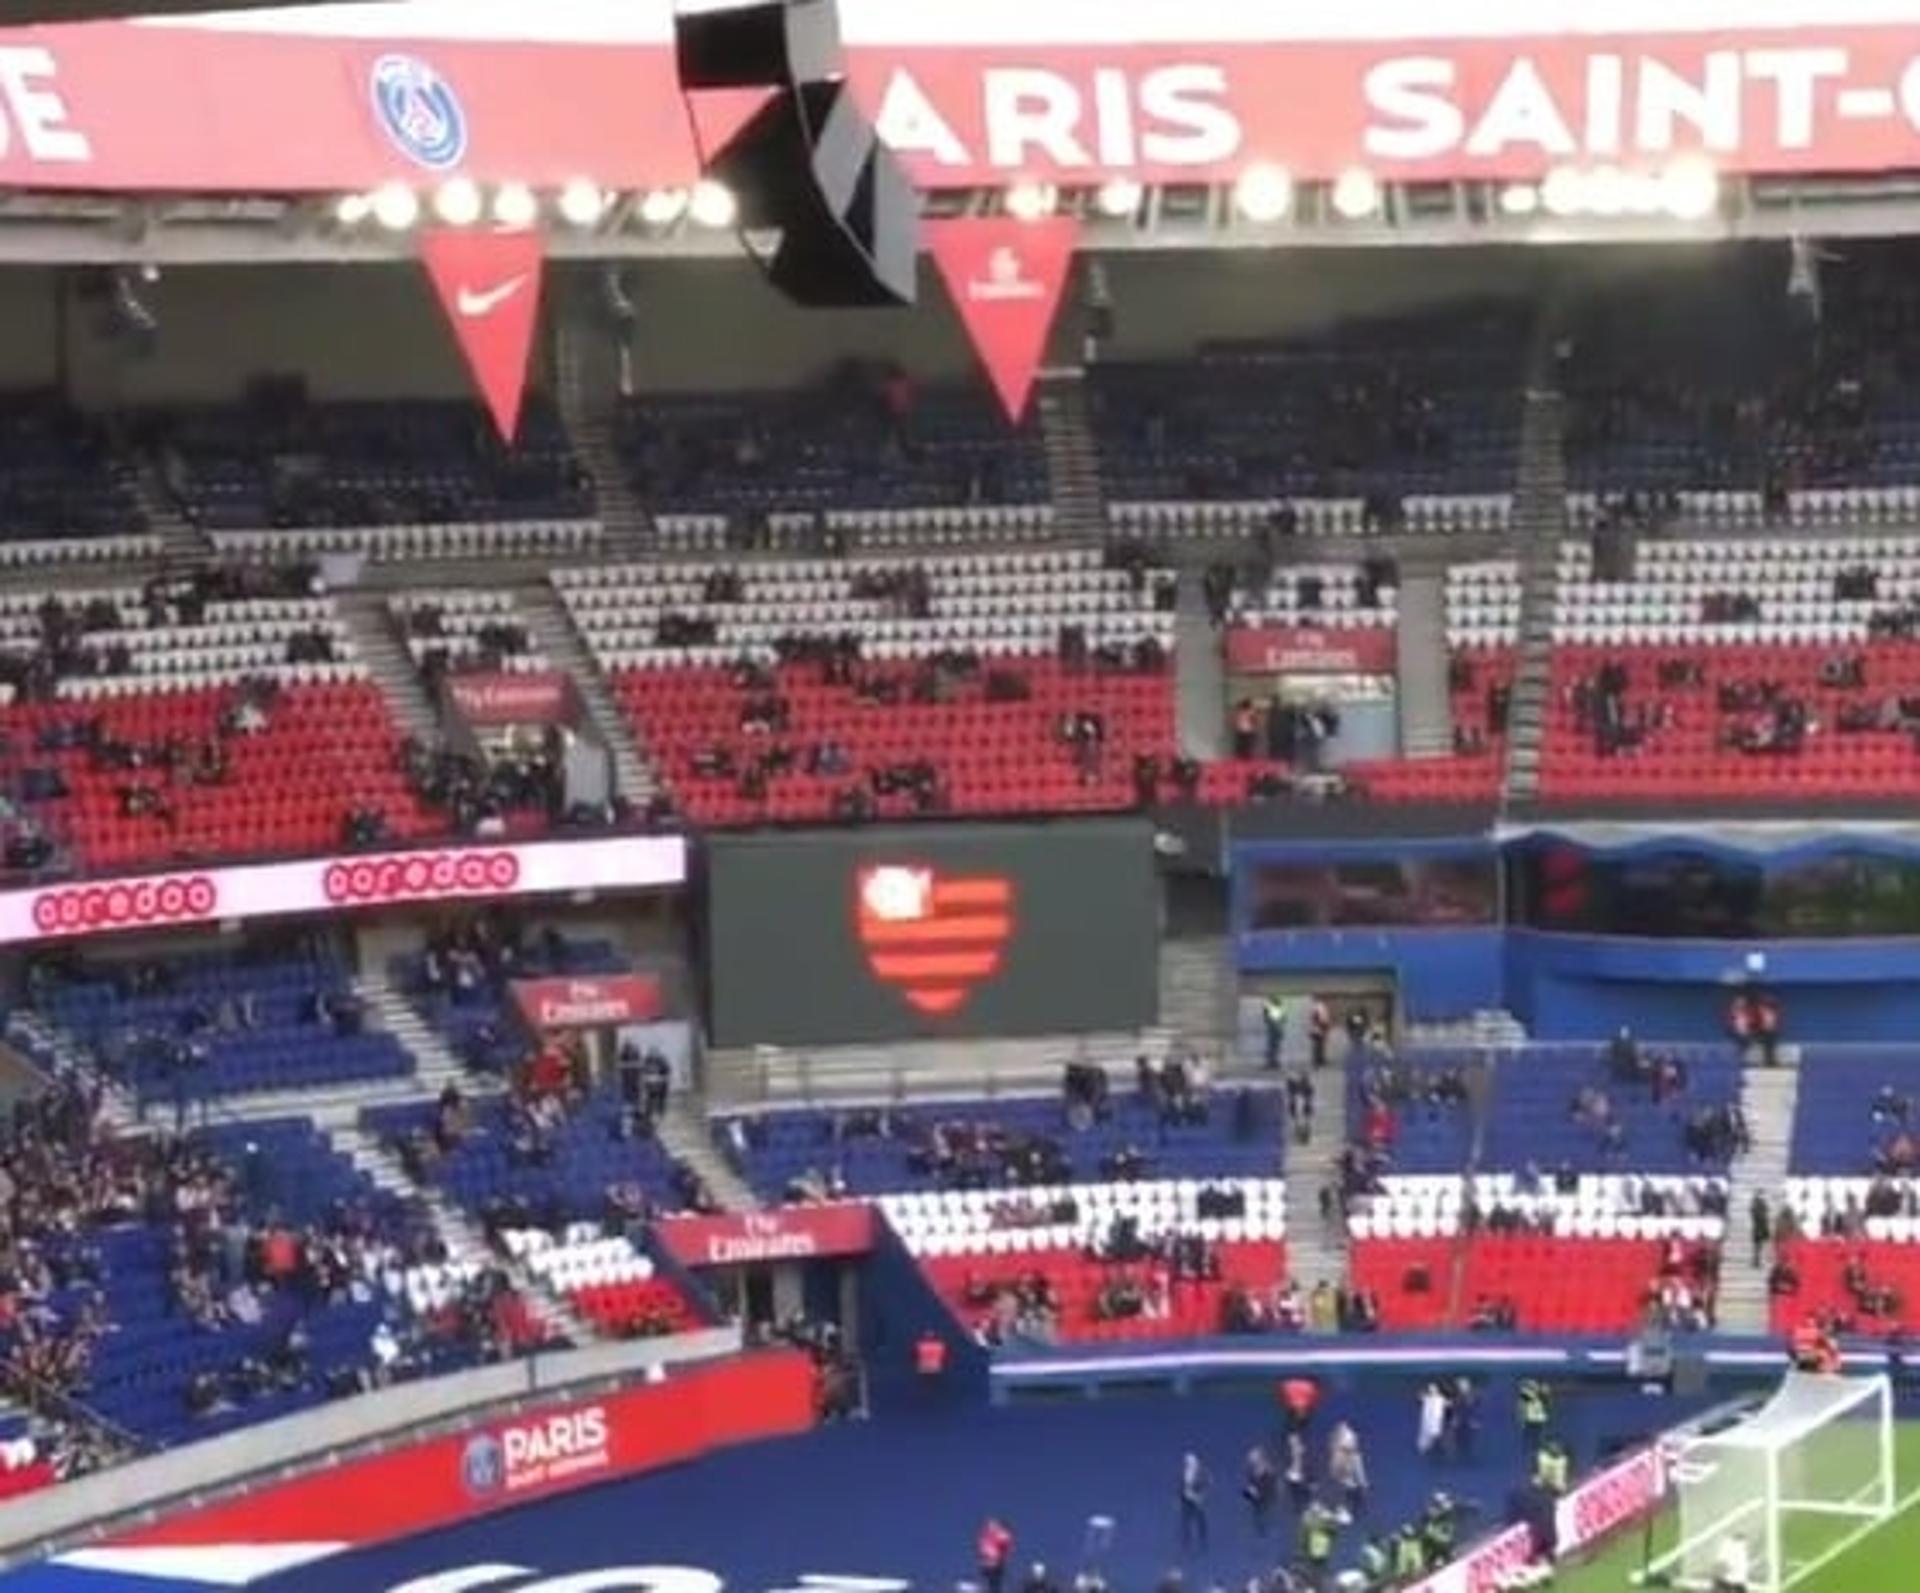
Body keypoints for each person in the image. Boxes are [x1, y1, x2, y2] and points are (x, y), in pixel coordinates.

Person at [1328, 1421, 1368, 1522]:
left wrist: (1362, 1481)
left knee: (1352, 1491)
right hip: (1344, 1477)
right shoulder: (1343, 1453)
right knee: (1349, 1490)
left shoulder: (1352, 1455)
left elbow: (1358, 1467)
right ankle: (1343, 1510)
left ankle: (1345, 1511)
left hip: (1347, 1478)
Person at [1242, 1444, 1278, 1537]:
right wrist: (1250, 1490)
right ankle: (1261, 1528)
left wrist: (1259, 1491)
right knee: (1258, 1512)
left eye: (1254, 1459)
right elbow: (1251, 1481)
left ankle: (1267, 1527)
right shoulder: (1251, 1470)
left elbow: (1270, 1484)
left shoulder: (1268, 1469)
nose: (1252, 1462)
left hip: (1267, 1496)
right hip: (1258, 1498)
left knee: (1265, 1511)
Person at [1178, 1451, 1209, 1551]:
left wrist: (1200, 1494)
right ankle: (1189, 1542)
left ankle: (1199, 1541)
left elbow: (1203, 1482)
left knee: (1198, 1519)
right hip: (1188, 1497)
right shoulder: (1186, 1472)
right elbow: (1183, 1486)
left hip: (1195, 1497)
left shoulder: (1198, 1471)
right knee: (1189, 1520)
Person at [978, 1518, 1014, 1593]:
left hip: (997, 1561)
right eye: (990, 1526)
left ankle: (994, 1589)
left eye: (993, 1526)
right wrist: (984, 1559)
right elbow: (983, 1548)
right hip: (990, 1562)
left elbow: (1006, 1543)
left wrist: (1001, 1557)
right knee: (990, 1579)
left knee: (996, 1580)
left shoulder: (1000, 1534)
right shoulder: (985, 1536)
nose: (992, 1527)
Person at [1417, 1380, 1448, 1461]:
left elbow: (1448, 1404)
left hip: (1436, 1423)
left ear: (1437, 1389)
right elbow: (1420, 1397)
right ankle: (1427, 1452)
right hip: (1427, 1422)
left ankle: (1438, 1454)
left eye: (1434, 1388)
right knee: (1426, 1437)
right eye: (1430, 1388)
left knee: (1436, 1437)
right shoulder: (1427, 1398)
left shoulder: (1441, 1398)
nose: (1432, 1390)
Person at [1262, 996, 1289, 1070]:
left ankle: (1272, 1062)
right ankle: (1274, 1062)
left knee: (1272, 1047)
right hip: (1278, 1030)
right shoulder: (1280, 1009)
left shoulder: (1272, 1009)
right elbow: (1284, 1019)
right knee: (1275, 1047)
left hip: (1274, 1030)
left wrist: (1265, 1009)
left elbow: (1266, 1018)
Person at [1750, 1191, 1773, 1268]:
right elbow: (1758, 1216)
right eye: (1762, 1195)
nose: (1764, 1196)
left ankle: (1758, 1261)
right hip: (1759, 1228)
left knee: (1759, 1246)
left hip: (1761, 1227)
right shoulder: (1756, 1204)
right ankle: (1757, 1262)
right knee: (1758, 1246)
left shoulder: (1759, 1203)